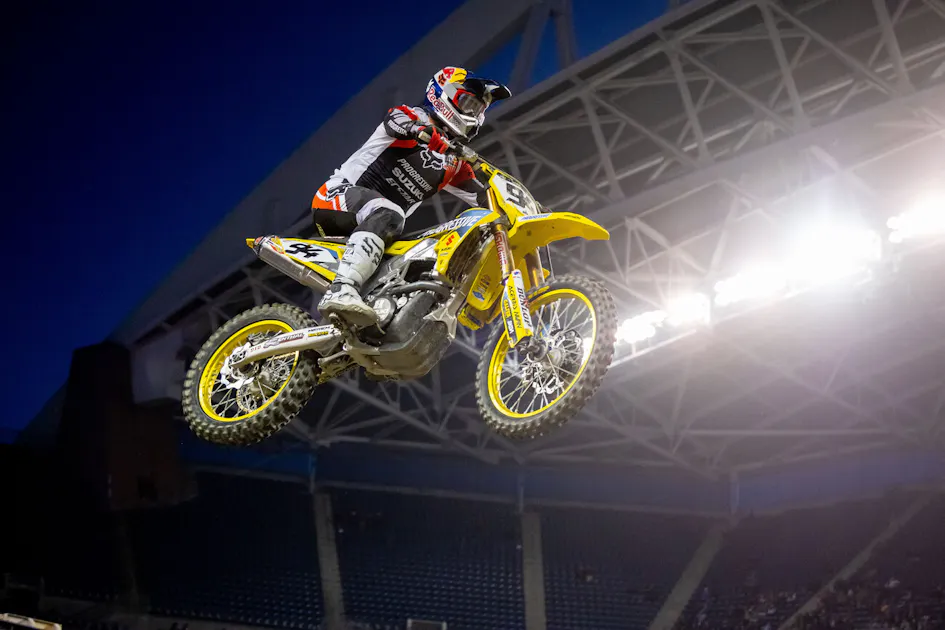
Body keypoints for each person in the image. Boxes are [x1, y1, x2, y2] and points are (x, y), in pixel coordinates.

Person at [313, 66, 511, 327]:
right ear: (443, 94)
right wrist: (421, 132)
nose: (473, 114)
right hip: (336, 198)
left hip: (383, 232)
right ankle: (341, 289)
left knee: (422, 260)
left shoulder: (454, 164)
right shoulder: (410, 116)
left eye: (478, 110)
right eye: (468, 103)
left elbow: (486, 198)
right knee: (389, 212)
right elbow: (395, 122)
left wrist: (521, 208)